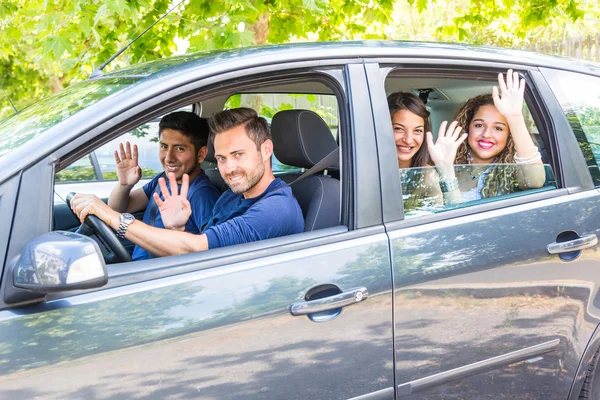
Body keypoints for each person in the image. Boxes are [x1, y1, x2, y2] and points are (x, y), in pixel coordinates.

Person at [71, 107, 304, 257]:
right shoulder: (233, 194)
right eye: (222, 158)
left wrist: (110, 216)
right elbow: (200, 250)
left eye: (238, 155)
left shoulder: (277, 208)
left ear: (266, 150)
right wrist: (177, 228)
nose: (229, 168)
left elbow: (197, 247)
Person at [106, 111, 220, 260]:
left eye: (179, 148)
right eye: (164, 146)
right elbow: (119, 208)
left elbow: (211, 254)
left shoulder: (202, 194)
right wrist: (124, 185)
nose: (168, 158)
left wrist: (178, 230)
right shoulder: (163, 180)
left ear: (201, 154)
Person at [428, 69, 546, 203]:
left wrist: (515, 118)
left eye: (498, 128)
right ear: (467, 127)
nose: (487, 134)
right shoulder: (441, 165)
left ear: (509, 135)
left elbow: (535, 181)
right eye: (479, 125)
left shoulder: (513, 170)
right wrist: (446, 170)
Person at [387, 92, 464, 210]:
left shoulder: (426, 175)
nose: (408, 140)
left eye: (417, 131)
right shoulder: (361, 170)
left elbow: (454, 215)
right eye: (398, 129)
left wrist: (446, 170)